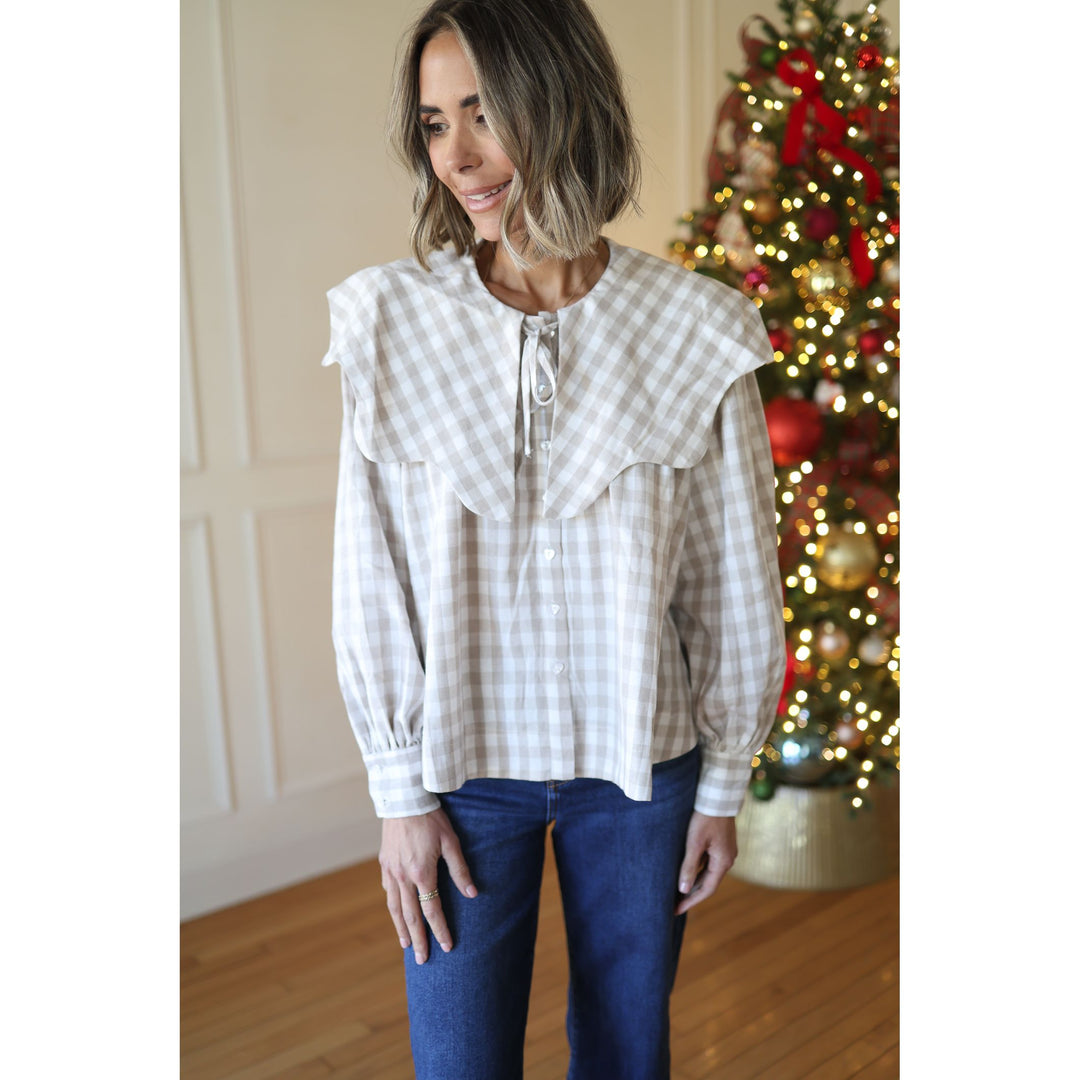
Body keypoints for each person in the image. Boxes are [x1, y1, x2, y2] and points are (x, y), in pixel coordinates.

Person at [322, 1, 786, 1076]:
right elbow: (370, 569)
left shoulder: (695, 327)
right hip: (460, 767)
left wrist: (722, 781)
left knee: (627, 1049)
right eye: (436, 123)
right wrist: (399, 789)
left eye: (484, 112)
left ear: (562, 103)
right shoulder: (389, 321)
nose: (462, 156)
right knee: (459, 1057)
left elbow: (732, 576)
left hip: (643, 765)